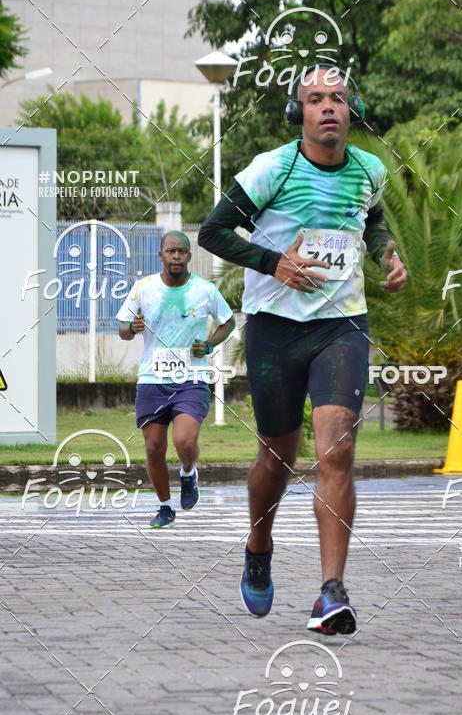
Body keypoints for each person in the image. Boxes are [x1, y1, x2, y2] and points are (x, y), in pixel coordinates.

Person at [198, 63, 407, 635]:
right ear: (300, 113)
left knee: (336, 452)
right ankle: (259, 543)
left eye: (337, 98)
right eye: (315, 99)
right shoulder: (273, 168)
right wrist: (275, 264)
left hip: (341, 325)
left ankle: (331, 591)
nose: (328, 108)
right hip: (275, 329)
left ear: (351, 109)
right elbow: (213, 233)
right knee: (278, 459)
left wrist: (386, 257)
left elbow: (373, 221)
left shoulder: (370, 170)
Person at [117, 230, 235, 528]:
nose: (176, 256)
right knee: (154, 448)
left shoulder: (205, 290)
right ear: (161, 256)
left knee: (184, 440)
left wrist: (209, 344)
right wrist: (133, 326)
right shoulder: (143, 288)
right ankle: (164, 506)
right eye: (171, 251)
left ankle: (188, 472)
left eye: (181, 251)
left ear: (189, 256)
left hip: (191, 377)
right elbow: (122, 329)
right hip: (151, 380)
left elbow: (229, 321)